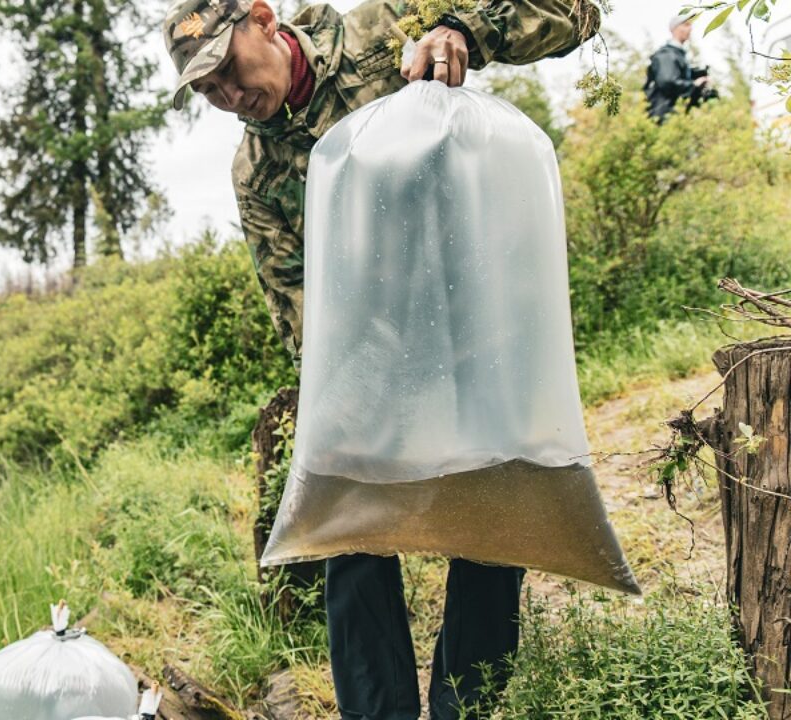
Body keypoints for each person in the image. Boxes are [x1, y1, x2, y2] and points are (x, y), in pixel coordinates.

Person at [161, 1, 600, 718]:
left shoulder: (385, 28)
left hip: (476, 325)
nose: (229, 97)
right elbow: (300, 312)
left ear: (264, 21)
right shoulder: (256, 173)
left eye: (228, 70)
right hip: (374, 365)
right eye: (207, 91)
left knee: (494, 516)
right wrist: (350, 407)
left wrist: (464, 33)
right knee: (350, 533)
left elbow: (576, 14)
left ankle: (470, 704)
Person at [645, 14, 713, 121]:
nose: (690, 29)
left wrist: (698, 74)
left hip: (674, 114)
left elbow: (677, 75)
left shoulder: (678, 54)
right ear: (674, 29)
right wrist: (694, 84)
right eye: (686, 25)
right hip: (663, 115)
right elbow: (667, 82)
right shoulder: (667, 54)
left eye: (690, 25)